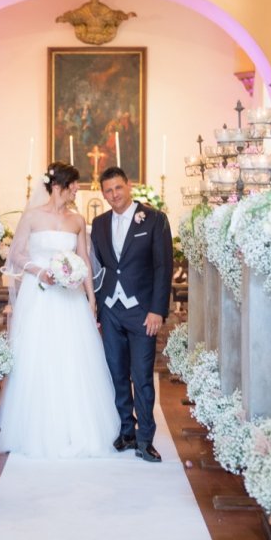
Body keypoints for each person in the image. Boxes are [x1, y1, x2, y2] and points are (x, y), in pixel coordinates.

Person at [0, 162, 120, 459]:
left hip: (70, 299)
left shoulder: (77, 220)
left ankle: (80, 429)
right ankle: (35, 430)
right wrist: (40, 271)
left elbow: (84, 260)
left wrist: (90, 298)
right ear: (59, 185)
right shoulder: (33, 217)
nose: (78, 189)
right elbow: (16, 256)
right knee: (39, 357)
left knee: (74, 358)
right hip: (40, 297)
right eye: (74, 184)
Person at [91, 166, 173, 463]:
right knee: (116, 373)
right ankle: (126, 430)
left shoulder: (154, 219)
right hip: (110, 311)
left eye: (118, 188)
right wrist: (96, 306)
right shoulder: (98, 224)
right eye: (108, 191)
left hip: (142, 312)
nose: (114, 195)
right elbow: (98, 267)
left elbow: (163, 267)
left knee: (142, 377)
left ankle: (145, 439)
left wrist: (157, 310)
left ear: (129, 186)